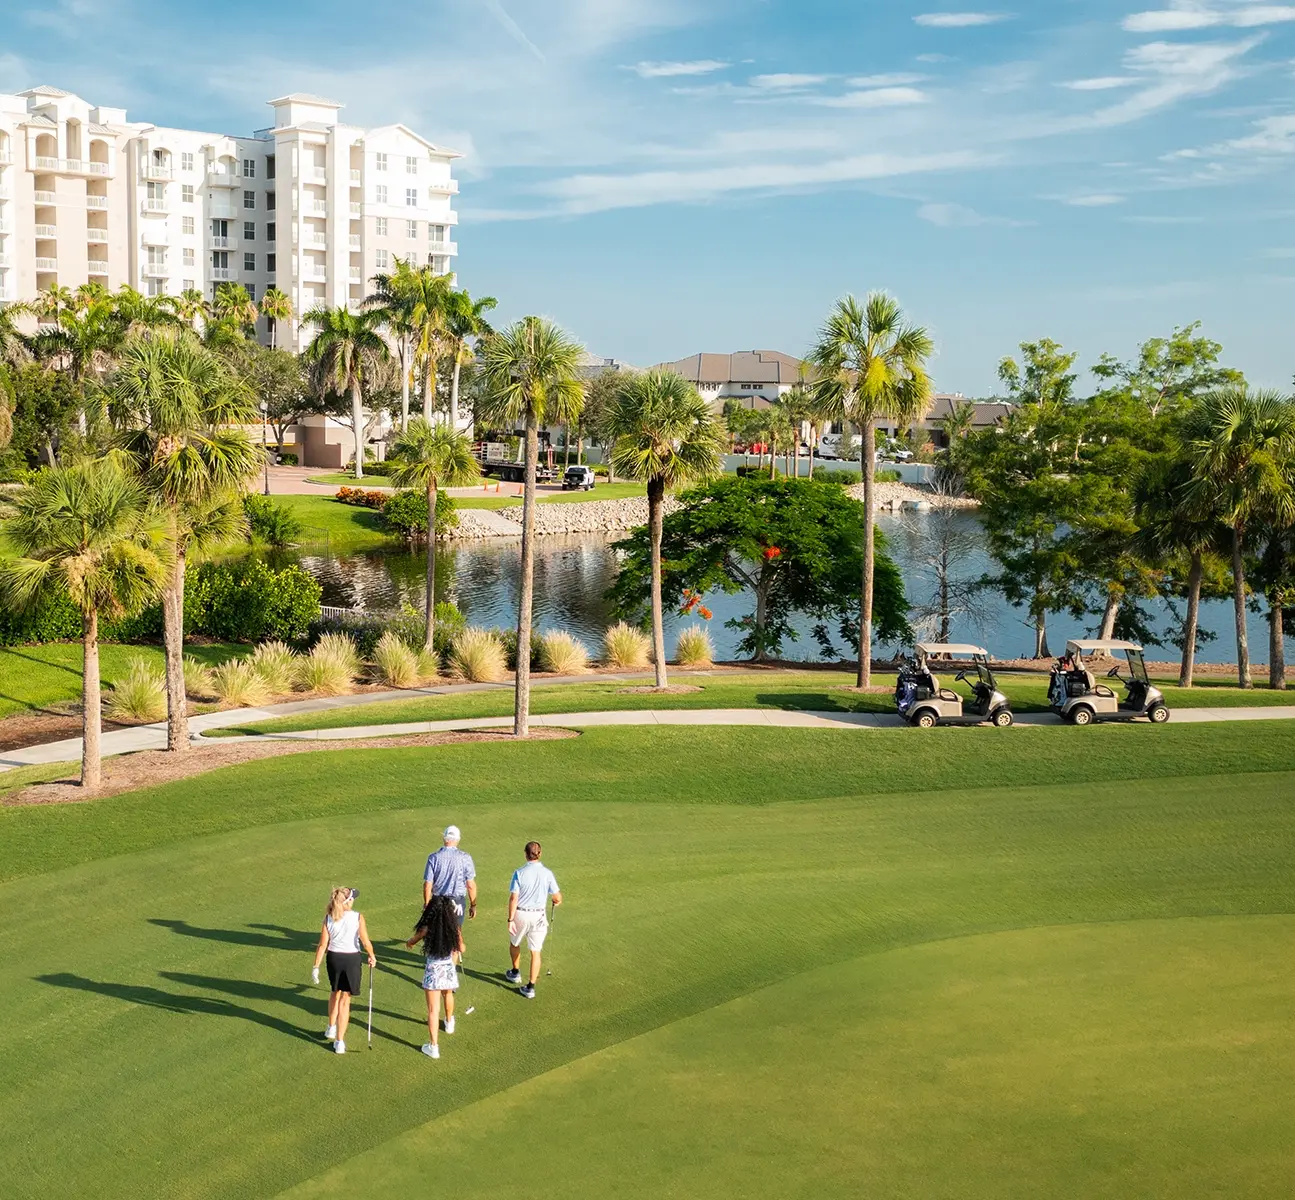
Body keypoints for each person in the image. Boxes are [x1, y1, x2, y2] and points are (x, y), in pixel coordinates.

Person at [310, 887, 376, 1055]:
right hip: (351, 960)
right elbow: (365, 941)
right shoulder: (358, 917)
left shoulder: (328, 917)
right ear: (348, 901)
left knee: (335, 992)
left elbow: (322, 945)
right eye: (352, 898)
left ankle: (331, 1028)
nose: (354, 900)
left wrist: (316, 967)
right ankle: (339, 1041)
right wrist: (372, 956)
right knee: (345, 1000)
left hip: (334, 959)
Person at [405, 895, 463, 1060]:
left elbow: (413, 941)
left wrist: (409, 943)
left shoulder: (427, 928)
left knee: (432, 1010)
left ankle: (434, 1046)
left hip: (433, 969)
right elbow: (462, 947)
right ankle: (449, 1022)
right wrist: (456, 949)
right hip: (448, 967)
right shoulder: (454, 927)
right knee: (448, 994)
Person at [505, 840, 562, 999]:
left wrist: (510, 919)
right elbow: (557, 897)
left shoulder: (519, 872)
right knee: (535, 952)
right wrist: (556, 901)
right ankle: (530, 987)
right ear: (540, 854)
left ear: (525, 854)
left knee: (514, 943)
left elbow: (513, 898)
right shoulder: (548, 873)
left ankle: (515, 972)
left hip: (521, 914)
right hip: (539, 916)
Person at [423, 824, 477, 964]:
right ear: (457, 840)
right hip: (457, 902)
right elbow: (470, 885)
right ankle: (450, 971)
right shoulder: (465, 857)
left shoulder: (433, 857)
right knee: (455, 933)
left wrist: (427, 903)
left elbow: (428, 884)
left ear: (444, 838)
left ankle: (439, 962)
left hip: (438, 902)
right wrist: (473, 904)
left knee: (438, 932)